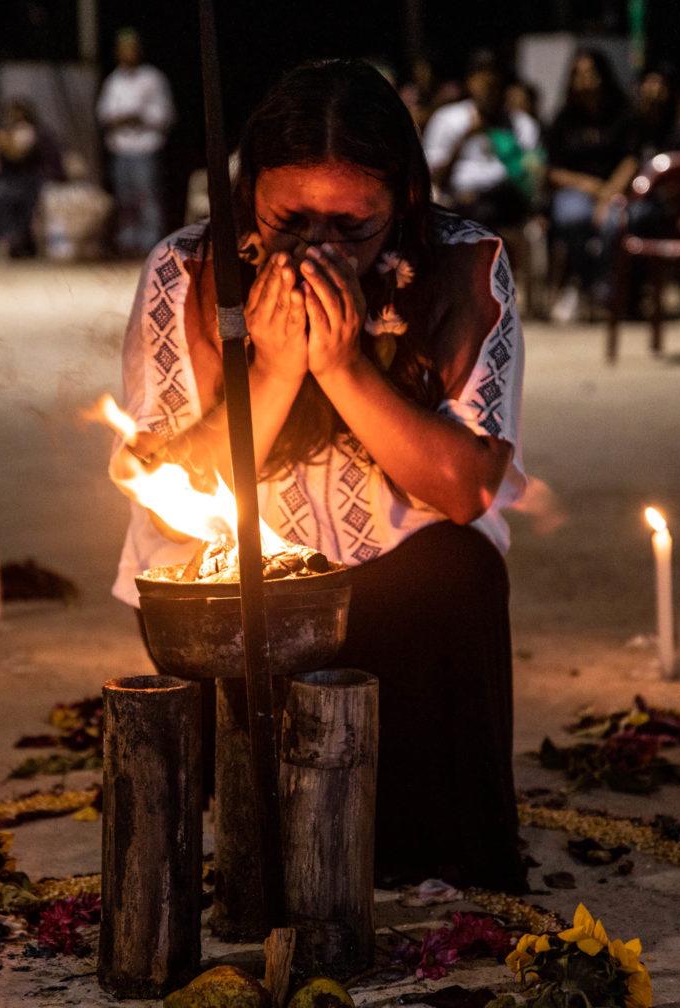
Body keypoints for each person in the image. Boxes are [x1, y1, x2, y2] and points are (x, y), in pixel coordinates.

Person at [112, 59, 528, 891]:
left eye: (352, 227)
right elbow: (176, 490)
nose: (317, 251)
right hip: (239, 596)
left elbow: (465, 489)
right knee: (193, 590)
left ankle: (425, 848)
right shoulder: (186, 270)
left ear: (403, 202)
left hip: (396, 600)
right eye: (289, 219)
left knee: (461, 566)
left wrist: (341, 367)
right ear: (246, 195)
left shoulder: (464, 266)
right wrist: (270, 373)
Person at [545, 49, 636, 321]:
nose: (586, 80)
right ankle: (582, 284)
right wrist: (591, 187)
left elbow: (631, 160)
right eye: (579, 74)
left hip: (619, 190)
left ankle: (608, 290)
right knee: (572, 217)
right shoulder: (563, 118)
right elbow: (553, 170)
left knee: (613, 223)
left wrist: (607, 195)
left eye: (591, 73)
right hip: (577, 191)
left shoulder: (623, 114)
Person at [422, 50, 543, 232]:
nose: (488, 89)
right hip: (458, 201)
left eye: (494, 83)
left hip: (507, 203)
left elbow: (532, 175)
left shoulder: (521, 124)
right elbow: (432, 178)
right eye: (482, 81)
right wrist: (466, 136)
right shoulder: (447, 118)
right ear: (470, 82)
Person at [97, 28, 174, 257]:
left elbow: (165, 114)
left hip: (145, 148)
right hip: (121, 149)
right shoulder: (114, 80)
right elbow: (103, 113)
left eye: (130, 49)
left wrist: (139, 117)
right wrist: (119, 118)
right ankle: (128, 244)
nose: (126, 54)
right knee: (125, 199)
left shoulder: (153, 78)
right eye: (122, 49)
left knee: (147, 197)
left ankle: (151, 245)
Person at [0, 98, 63, 258]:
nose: (13, 116)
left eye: (17, 112)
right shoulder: (6, 131)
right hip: (12, 179)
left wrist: (5, 143)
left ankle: (22, 242)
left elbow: (18, 155)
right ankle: (6, 240)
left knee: (22, 196)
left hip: (36, 177)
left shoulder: (34, 131)